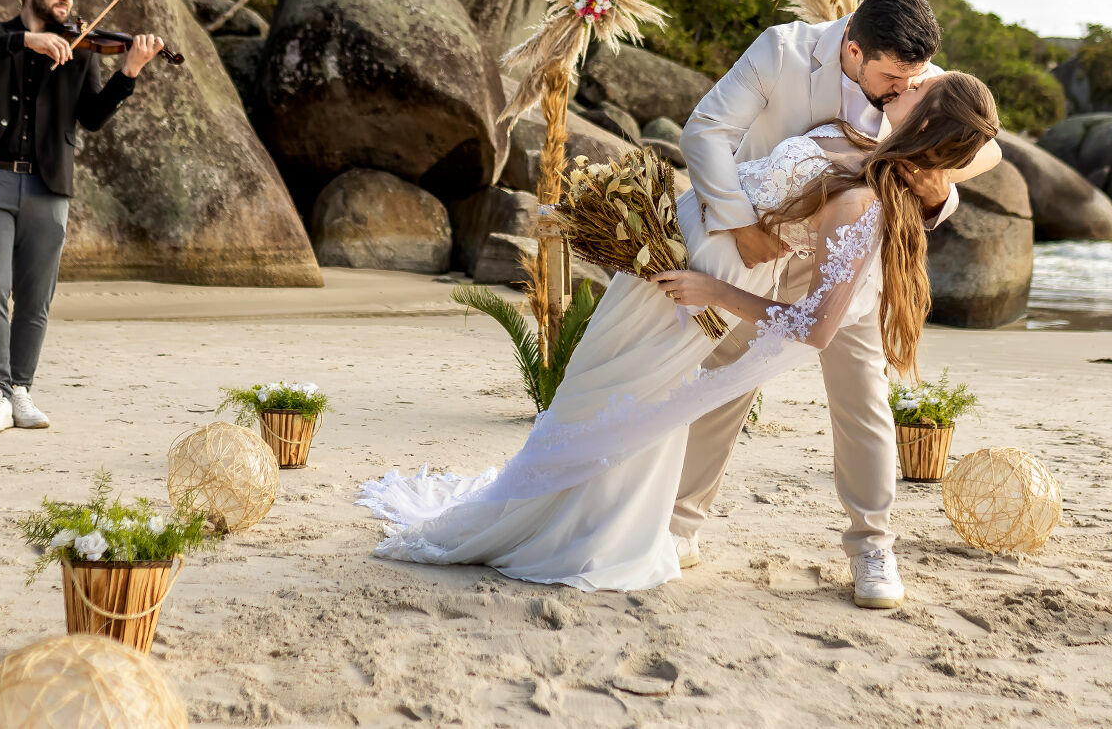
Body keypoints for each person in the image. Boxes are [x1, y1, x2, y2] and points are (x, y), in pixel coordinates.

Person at [357, 72, 1000, 596]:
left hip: (700, 287)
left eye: (922, 87)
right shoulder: (847, 114)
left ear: (921, 124)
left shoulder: (865, 199)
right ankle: (569, 511)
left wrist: (714, 292)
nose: (916, 77)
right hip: (669, 259)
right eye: (914, 74)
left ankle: (581, 529)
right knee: (595, 385)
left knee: (625, 398)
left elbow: (817, 329)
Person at [673, 0, 960, 605]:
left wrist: (936, 194)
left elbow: (948, 168)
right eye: (890, 75)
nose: (900, 88)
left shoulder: (917, 80)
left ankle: (873, 547)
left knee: (862, 395)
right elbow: (705, 130)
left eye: (912, 76)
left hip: (851, 255)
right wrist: (737, 226)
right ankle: (679, 527)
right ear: (853, 50)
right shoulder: (781, 50)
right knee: (726, 379)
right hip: (763, 247)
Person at [0, 0, 164, 435]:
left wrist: (129, 71)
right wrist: (24, 41)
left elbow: (91, 117)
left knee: (36, 297)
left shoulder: (81, 50)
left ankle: (20, 388)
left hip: (48, 186)